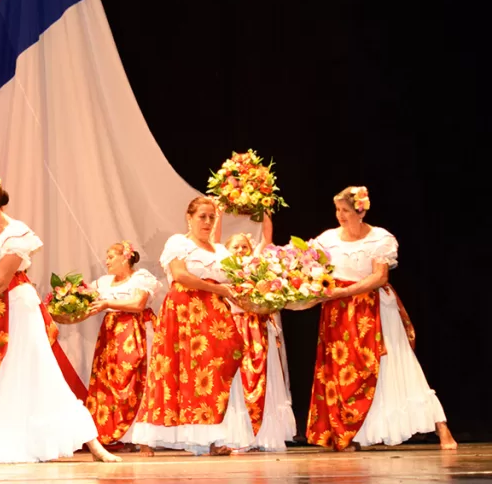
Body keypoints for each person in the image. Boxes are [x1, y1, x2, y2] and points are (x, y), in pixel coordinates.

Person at [0, 172, 120, 464]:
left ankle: (92, 443)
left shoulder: (15, 234)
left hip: (14, 310)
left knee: (37, 374)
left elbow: (0, 284)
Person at [306, 186, 456, 451]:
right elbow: (312, 271)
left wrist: (344, 291)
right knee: (346, 373)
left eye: (346, 210)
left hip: (373, 309)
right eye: (338, 210)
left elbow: (380, 277)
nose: (340, 215)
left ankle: (442, 428)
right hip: (339, 314)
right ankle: (352, 432)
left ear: (360, 211)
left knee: (398, 366)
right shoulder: (327, 239)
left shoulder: (378, 238)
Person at [130, 196, 254, 456]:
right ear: (189, 218)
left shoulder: (220, 251)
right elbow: (181, 275)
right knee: (175, 371)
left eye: (211, 217)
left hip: (215, 316)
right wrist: (217, 288)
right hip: (184, 312)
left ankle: (213, 436)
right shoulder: (179, 242)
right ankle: (149, 437)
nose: (207, 222)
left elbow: (235, 280)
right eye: (202, 217)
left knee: (214, 372)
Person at [214, 212, 296, 452]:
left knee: (261, 379)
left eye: (244, 247)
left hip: (257, 328)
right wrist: (218, 215)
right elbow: (215, 241)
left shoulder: (255, 267)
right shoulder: (223, 267)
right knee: (238, 382)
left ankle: (263, 435)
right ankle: (237, 435)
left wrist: (266, 211)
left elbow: (267, 240)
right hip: (234, 328)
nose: (240, 250)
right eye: (236, 247)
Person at [74, 241, 159, 448]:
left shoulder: (140, 278)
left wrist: (108, 304)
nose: (107, 261)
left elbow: (138, 304)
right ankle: (114, 434)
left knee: (137, 379)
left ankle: (141, 438)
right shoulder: (104, 282)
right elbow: (83, 296)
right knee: (109, 381)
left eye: (111, 256)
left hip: (134, 330)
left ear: (125, 258)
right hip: (111, 335)